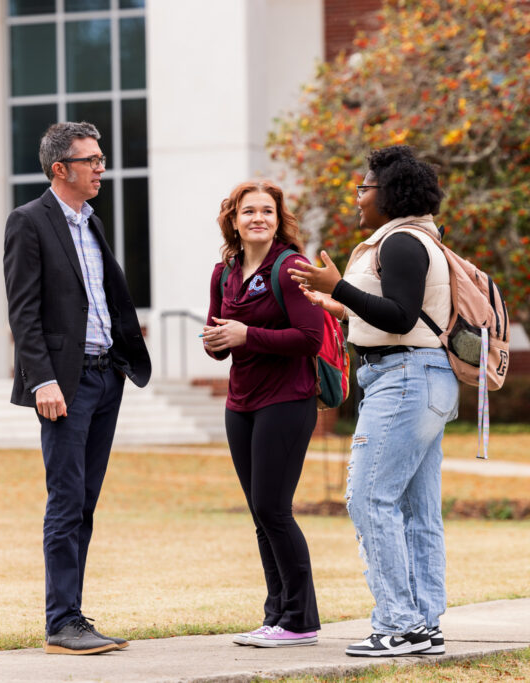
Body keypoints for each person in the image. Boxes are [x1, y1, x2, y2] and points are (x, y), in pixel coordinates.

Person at [288, 145, 458, 657]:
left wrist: (338, 283)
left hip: (405, 379)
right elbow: (392, 312)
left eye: (364, 187)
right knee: (416, 508)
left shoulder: (402, 242)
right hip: (422, 378)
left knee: (368, 498)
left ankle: (398, 624)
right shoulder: (418, 238)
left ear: (389, 193)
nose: (358, 196)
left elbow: (401, 317)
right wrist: (339, 304)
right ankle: (422, 624)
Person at [3, 121, 152, 656]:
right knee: (66, 501)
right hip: (64, 384)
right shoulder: (28, 222)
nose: (101, 168)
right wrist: (41, 378)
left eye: (101, 158)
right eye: (90, 160)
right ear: (59, 168)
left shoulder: (91, 223)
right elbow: (24, 311)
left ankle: (74, 616)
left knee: (85, 502)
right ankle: (61, 621)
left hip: (105, 375)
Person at [203, 180, 325, 648]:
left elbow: (309, 338)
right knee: (261, 512)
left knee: (275, 509)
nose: (258, 218)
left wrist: (245, 335)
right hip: (242, 404)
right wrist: (218, 341)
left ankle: (299, 621)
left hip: (287, 401)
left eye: (267, 212)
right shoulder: (224, 272)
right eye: (248, 211)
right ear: (234, 220)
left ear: (279, 220)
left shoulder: (292, 267)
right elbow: (220, 338)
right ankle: (277, 616)